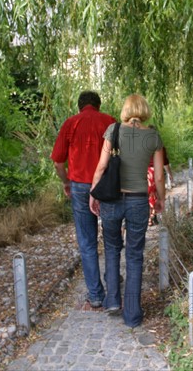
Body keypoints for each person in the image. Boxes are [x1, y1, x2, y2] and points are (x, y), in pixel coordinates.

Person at [89, 94, 165, 328]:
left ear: (125, 110)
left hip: (112, 200)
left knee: (111, 248)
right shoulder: (153, 136)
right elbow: (159, 176)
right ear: (144, 110)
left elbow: (102, 166)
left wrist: (93, 193)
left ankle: (112, 300)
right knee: (134, 254)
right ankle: (132, 315)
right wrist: (160, 199)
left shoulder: (113, 130)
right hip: (138, 201)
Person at [50, 91, 116, 308]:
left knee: (87, 241)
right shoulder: (110, 122)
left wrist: (66, 182)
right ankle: (114, 289)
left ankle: (95, 295)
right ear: (98, 104)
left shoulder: (71, 123)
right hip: (106, 186)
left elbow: (58, 163)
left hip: (79, 186)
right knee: (111, 237)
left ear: (80, 106)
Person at [147, 144, 172, 226]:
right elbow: (165, 162)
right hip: (156, 171)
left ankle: (150, 216)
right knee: (155, 194)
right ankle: (152, 215)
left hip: (145, 172)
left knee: (148, 195)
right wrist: (170, 174)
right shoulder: (159, 146)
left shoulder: (139, 144)